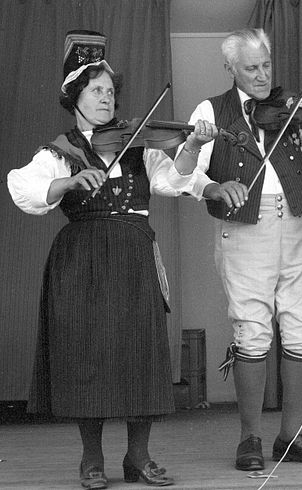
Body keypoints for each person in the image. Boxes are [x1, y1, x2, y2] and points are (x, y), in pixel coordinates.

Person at [6, 31, 218, 488]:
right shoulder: (60, 150)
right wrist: (65, 183)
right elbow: (22, 187)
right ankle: (91, 460)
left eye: (110, 91)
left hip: (135, 254)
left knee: (141, 352)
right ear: (75, 97)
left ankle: (138, 458)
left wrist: (195, 146)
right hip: (82, 261)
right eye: (96, 91)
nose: (107, 99)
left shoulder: (138, 142)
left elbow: (175, 180)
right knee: (89, 356)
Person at [170, 28, 302, 471]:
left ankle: (292, 436)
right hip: (243, 229)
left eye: (266, 65)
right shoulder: (211, 110)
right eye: (251, 68)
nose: (262, 76)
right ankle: (250, 439)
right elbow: (186, 174)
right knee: (252, 329)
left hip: (296, 222)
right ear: (231, 68)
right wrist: (216, 186)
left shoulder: (292, 107)